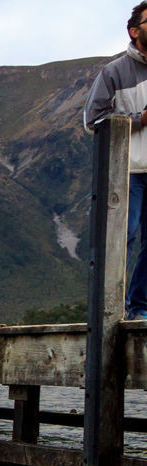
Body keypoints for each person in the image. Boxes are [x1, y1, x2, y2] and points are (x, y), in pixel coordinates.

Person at [84, 2, 147, 320]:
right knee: (125, 237)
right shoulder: (114, 72)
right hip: (129, 171)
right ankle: (112, 310)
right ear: (135, 32)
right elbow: (93, 120)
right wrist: (140, 119)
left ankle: (140, 309)